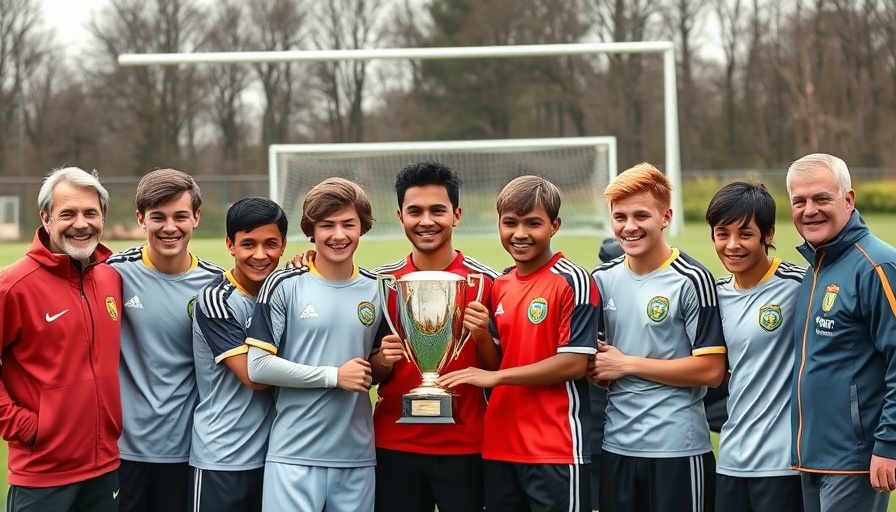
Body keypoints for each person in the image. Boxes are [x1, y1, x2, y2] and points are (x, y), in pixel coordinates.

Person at [439, 175, 599, 512]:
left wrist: (497, 378)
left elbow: (573, 364)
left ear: (554, 226)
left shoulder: (573, 280)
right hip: (499, 445)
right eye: (510, 223)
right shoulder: (500, 283)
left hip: (555, 447)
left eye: (533, 223)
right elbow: (496, 362)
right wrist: (482, 335)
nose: (520, 233)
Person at [245, 177, 388, 512]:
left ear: (362, 227)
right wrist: (333, 376)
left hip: (356, 457)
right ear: (311, 230)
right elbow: (258, 366)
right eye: (327, 225)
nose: (338, 235)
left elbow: (371, 372)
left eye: (348, 224)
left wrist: (386, 360)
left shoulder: (378, 289)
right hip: (293, 455)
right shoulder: (283, 283)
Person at [590, 163, 726, 512]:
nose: (629, 227)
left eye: (641, 215)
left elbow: (711, 371)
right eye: (620, 217)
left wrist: (627, 364)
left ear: (665, 217)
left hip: (677, 449)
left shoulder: (691, 279)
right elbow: (598, 366)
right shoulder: (601, 279)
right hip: (616, 447)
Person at [370, 161, 499, 512]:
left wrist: (483, 336)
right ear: (400, 217)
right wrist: (383, 360)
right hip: (394, 444)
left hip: (468, 445)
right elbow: (370, 370)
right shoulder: (380, 284)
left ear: (456, 215)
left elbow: (498, 373)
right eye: (415, 211)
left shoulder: (487, 283)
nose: (426, 221)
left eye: (437, 210)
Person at [0, 167, 122, 511]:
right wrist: (27, 426)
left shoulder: (112, 277)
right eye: (67, 213)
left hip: (106, 467)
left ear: (103, 217)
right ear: (46, 218)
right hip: (42, 475)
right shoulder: (12, 286)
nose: (80, 223)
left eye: (90, 213)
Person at [107, 168, 223, 512]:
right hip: (122, 451)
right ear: (141, 219)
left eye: (180, 216)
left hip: (189, 451)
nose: (169, 227)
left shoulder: (217, 285)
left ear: (196, 217)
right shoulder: (114, 272)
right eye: (158, 217)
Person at [787, 153, 896, 512]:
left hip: (856, 462)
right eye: (799, 201)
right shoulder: (817, 265)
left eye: (822, 198)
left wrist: (889, 445)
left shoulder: (875, 264)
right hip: (813, 458)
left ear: (848, 200)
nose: (809, 210)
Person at [706, 182, 805, 512]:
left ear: (768, 234)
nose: (732, 245)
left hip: (784, 464)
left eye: (745, 234)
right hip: (730, 457)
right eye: (722, 234)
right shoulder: (713, 296)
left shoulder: (800, 285)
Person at [190, 197, 289, 512]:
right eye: (249, 244)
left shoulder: (286, 292)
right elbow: (255, 376)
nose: (260, 255)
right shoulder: (215, 300)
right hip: (222, 458)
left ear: (284, 245)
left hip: (275, 457)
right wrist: (332, 375)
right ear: (230, 245)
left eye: (270, 244)